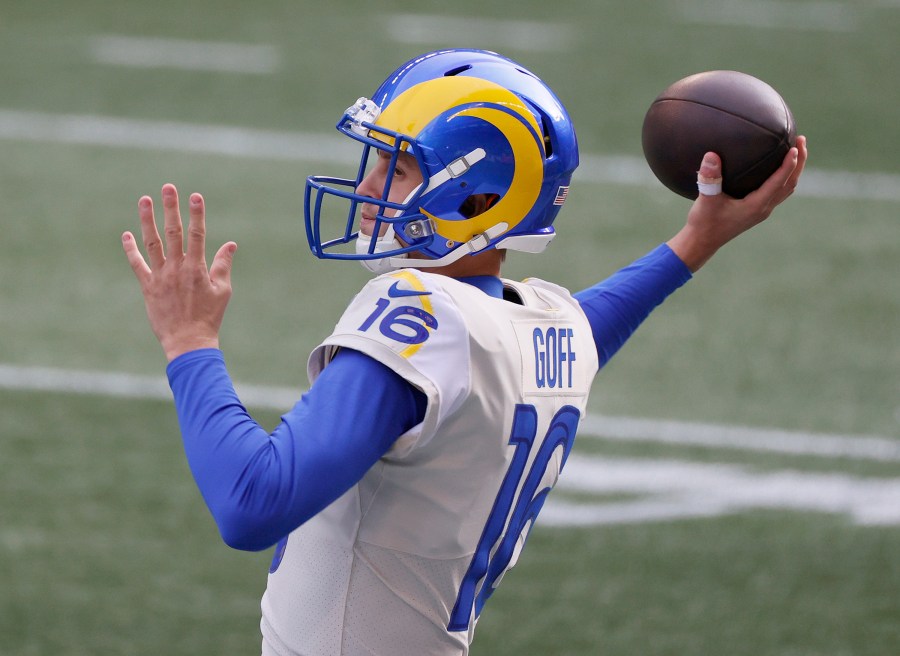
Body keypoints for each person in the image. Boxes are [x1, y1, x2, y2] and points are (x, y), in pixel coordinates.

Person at [122, 49, 807, 656]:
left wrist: (190, 342)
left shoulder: (423, 316)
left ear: (480, 195)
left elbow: (253, 503)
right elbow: (588, 323)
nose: (365, 190)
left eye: (396, 167)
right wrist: (695, 242)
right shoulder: (547, 329)